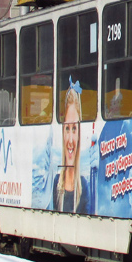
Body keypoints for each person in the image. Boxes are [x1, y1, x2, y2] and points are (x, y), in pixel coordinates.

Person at [52, 80, 90, 213]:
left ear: (80, 134)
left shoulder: (84, 187)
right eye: (67, 128)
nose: (70, 140)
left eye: (74, 128)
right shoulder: (56, 183)